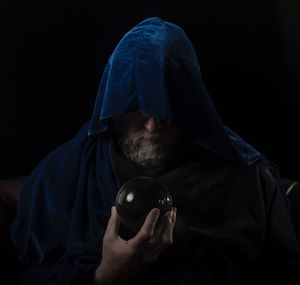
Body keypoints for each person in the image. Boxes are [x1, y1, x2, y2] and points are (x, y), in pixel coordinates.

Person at [10, 17, 300, 285]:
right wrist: (104, 275)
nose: (151, 126)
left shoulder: (247, 179)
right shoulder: (62, 175)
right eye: (137, 107)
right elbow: (29, 274)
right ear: (114, 108)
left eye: (165, 110)